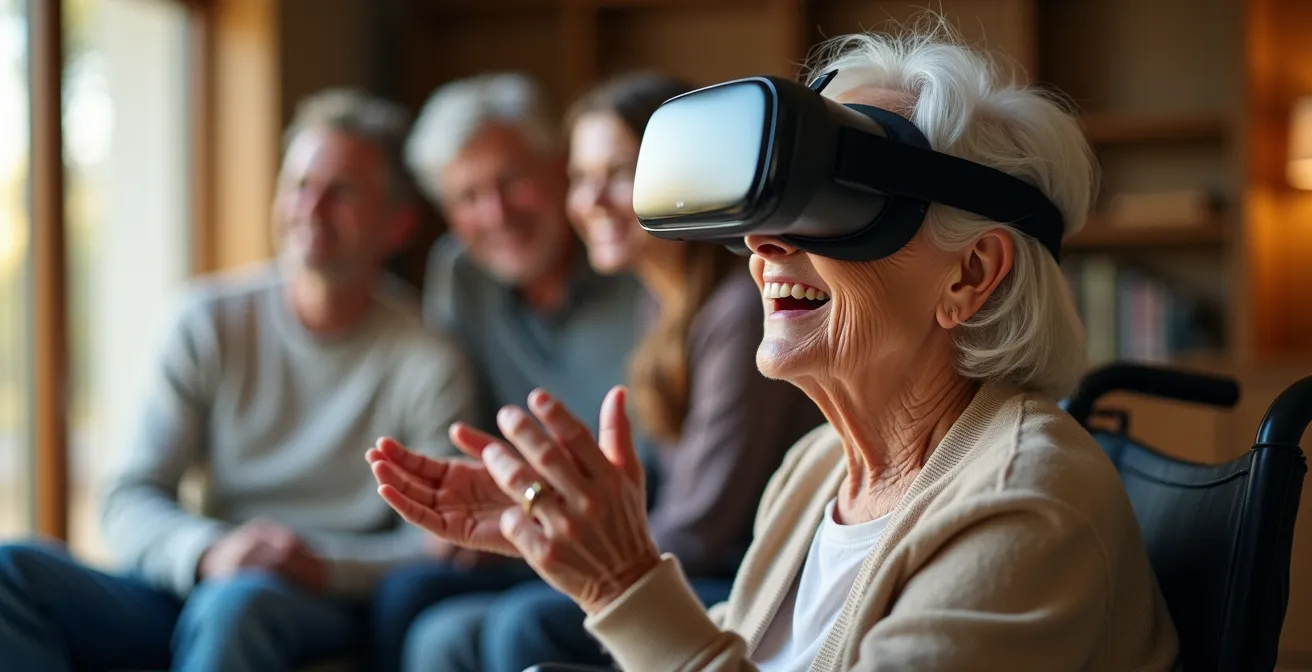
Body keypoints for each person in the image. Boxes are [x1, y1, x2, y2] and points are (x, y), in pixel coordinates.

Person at [368, 25, 1180, 672]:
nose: (761, 243)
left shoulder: (1025, 506)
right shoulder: (818, 469)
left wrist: (624, 580)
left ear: (971, 273)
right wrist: (572, 546)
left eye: (837, 200)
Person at [0, 89, 479, 672]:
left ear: (397, 223)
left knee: (239, 606)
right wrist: (209, 551)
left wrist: (322, 565)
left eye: (342, 191)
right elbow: (128, 496)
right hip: (202, 577)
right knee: (11, 570)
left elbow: (444, 541)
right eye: (299, 185)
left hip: (322, 602)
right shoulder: (207, 321)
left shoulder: (428, 358)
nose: (312, 207)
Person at [396, 73, 825, 671]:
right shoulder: (662, 299)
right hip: (677, 554)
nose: (592, 201)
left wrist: (557, 544)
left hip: (741, 573)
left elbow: (700, 531)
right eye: (581, 178)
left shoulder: (736, 311)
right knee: (421, 603)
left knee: (521, 624)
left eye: (619, 173)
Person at [368, 72, 649, 672]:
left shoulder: (631, 262)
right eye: (467, 197)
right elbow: (460, 414)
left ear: (557, 169)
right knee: (405, 596)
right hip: (524, 528)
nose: (496, 214)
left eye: (512, 181)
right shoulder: (460, 276)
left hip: (633, 534)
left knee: (503, 630)